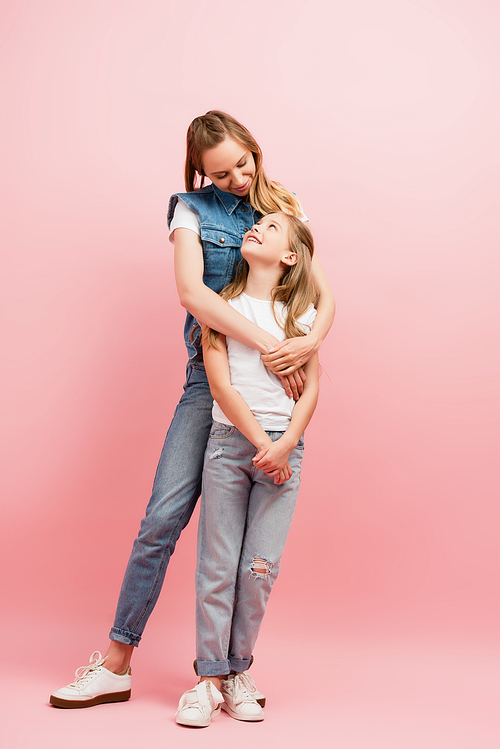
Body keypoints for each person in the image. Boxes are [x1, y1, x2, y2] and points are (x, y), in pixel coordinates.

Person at [50, 111, 334, 709]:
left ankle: (229, 673)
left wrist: (308, 342)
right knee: (162, 517)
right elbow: (192, 293)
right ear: (198, 171)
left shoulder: (282, 206)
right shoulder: (190, 210)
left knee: (251, 554)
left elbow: (318, 287)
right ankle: (115, 663)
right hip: (209, 384)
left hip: (270, 388)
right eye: (219, 172)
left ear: (256, 150)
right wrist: (266, 342)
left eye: (242, 163)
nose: (235, 177)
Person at [176, 212, 319, 727]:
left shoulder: (300, 318)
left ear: (290, 257)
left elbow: (313, 389)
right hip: (228, 448)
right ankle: (208, 679)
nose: (256, 228)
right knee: (216, 567)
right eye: (257, 225)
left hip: (284, 455)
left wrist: (286, 446)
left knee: (258, 570)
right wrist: (263, 443)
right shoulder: (221, 310)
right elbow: (221, 386)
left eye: (273, 228)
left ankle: (239, 673)